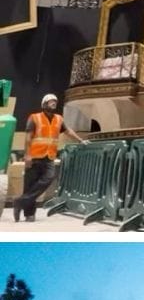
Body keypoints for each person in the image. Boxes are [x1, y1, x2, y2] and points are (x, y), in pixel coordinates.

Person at [13, 93, 85, 222]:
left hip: (49, 157)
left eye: (55, 102)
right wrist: (27, 155)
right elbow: (28, 137)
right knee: (30, 185)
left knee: (48, 178)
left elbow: (68, 131)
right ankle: (29, 214)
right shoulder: (34, 118)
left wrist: (80, 140)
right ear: (44, 104)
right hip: (34, 156)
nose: (54, 103)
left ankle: (20, 202)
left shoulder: (59, 119)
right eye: (51, 102)